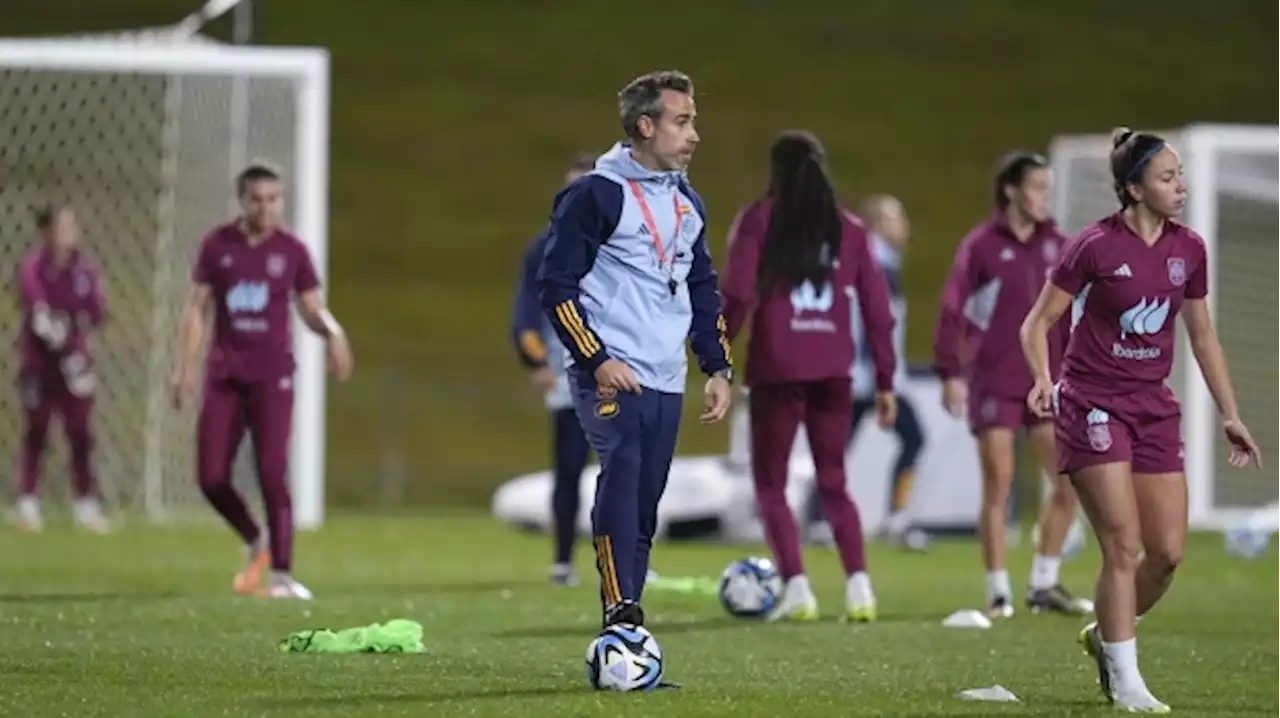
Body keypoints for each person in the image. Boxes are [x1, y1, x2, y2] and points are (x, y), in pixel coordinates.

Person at [1020, 128, 1261, 713]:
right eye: (1167, 178)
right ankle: (1126, 681)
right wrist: (1043, 380)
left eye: (1181, 176)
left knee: (1168, 555)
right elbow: (1036, 325)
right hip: (1092, 403)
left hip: (1153, 408)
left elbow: (1202, 337)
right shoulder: (1094, 246)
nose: (1182, 186)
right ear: (1133, 189)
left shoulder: (1190, 250)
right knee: (1122, 548)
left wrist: (1230, 413)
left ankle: (1106, 634)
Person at [538, 69, 733, 631]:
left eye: (693, 120)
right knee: (621, 468)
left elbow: (701, 287)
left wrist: (716, 365)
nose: (695, 134)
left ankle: (627, 624)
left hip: (666, 375)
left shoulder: (687, 203)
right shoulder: (596, 194)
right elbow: (556, 285)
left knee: (646, 502)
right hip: (610, 371)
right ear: (645, 126)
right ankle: (620, 610)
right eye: (682, 121)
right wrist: (596, 358)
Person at [721, 131, 898, 622]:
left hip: (777, 368)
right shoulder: (850, 229)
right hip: (833, 371)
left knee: (772, 484)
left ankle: (798, 590)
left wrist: (715, 350)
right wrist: (885, 381)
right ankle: (860, 589)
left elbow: (736, 294)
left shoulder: (759, 220)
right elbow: (879, 313)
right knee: (834, 481)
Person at [172, 162, 354, 600]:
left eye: (274, 199)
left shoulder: (292, 250)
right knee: (211, 476)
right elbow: (196, 308)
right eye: (258, 199)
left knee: (272, 472)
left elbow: (311, 308)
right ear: (242, 200)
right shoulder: (218, 246)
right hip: (225, 376)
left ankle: (283, 576)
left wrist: (333, 333)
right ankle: (257, 540)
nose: (267, 207)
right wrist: (185, 367)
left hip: (273, 378)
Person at [933, 152, 1090, 618]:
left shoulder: (1060, 246)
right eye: (1038, 186)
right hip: (994, 381)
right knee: (998, 484)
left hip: (1046, 382)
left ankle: (1044, 584)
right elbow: (952, 309)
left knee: (1069, 482)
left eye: (1047, 187)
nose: (1046, 196)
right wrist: (949, 372)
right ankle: (998, 591)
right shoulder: (981, 246)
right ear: (1011, 191)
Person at [807, 194, 929, 552]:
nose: (903, 224)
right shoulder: (874, 263)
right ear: (877, 224)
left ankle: (821, 520)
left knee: (840, 448)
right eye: (896, 217)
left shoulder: (875, 261)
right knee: (907, 439)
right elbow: (871, 323)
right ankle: (891, 518)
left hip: (864, 373)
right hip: (866, 376)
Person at [510, 152, 597, 587]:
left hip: (630, 377)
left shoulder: (626, 243)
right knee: (569, 470)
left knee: (630, 473)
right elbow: (525, 316)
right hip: (572, 381)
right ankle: (563, 560)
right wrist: (536, 360)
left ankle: (630, 559)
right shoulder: (544, 249)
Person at [13, 204, 109, 533]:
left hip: (75, 364)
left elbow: (96, 311)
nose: (69, 232)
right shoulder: (33, 268)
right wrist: (64, 339)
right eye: (62, 226)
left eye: (71, 225)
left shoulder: (85, 269)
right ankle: (28, 502)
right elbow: (41, 318)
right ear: (47, 232)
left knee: (81, 433)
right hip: (40, 365)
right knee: (37, 430)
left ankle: (86, 504)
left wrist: (77, 349)